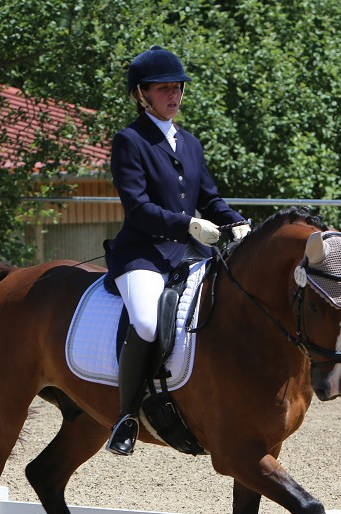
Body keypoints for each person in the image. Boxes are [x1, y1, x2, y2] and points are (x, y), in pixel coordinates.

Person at [104, 46, 250, 456]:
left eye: (178, 88)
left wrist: (234, 221)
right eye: (164, 89)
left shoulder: (189, 143)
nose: (174, 96)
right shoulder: (129, 141)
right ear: (141, 94)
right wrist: (186, 224)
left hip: (188, 254)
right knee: (148, 325)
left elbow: (210, 198)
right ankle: (127, 416)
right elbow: (138, 208)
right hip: (143, 255)